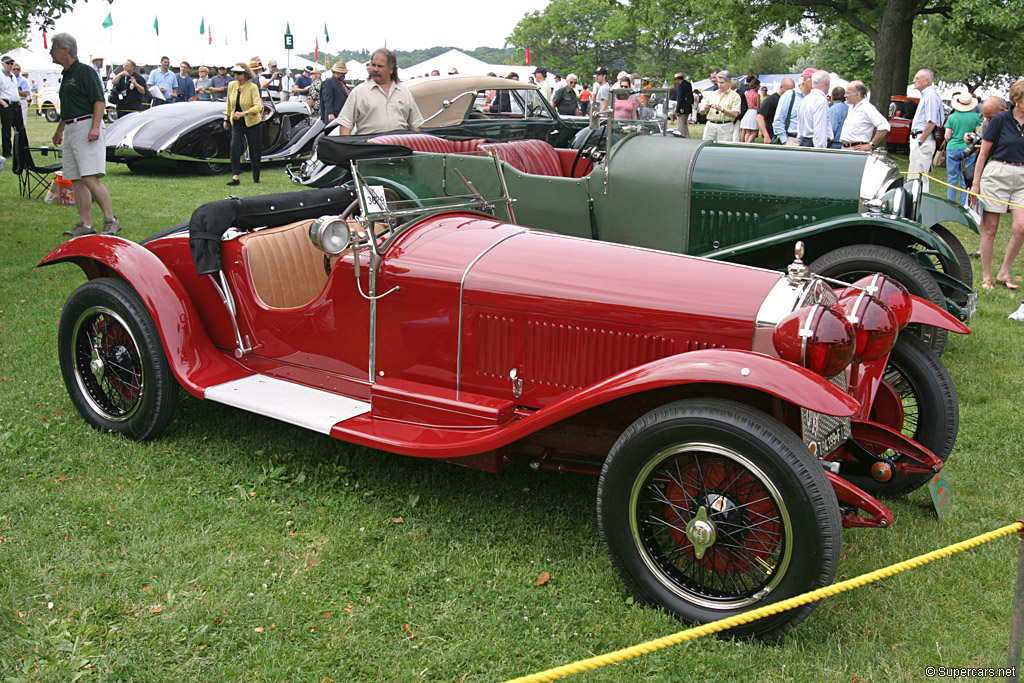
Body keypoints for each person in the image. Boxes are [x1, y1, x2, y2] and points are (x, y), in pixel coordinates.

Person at [49, 33, 121, 237]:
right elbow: (69, 106)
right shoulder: (67, 75)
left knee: (89, 177)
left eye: (53, 48)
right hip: (72, 128)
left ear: (65, 50)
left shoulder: (85, 72)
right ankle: (85, 224)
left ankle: (111, 220)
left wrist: (95, 127)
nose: (50, 53)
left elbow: (98, 101)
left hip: (86, 124)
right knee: (76, 179)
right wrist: (60, 130)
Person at [969, 79, 1024, 291]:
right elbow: (983, 153)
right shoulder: (1000, 120)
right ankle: (986, 277)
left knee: (1021, 227)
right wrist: (975, 184)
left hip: (1021, 175)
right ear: (1017, 100)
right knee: (990, 228)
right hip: (997, 173)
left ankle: (1004, 272)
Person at [338, 48, 423, 136]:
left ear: (391, 69)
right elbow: (345, 124)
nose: (375, 69)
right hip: (368, 147)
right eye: (373, 65)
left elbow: (415, 125)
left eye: (380, 66)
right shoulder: (358, 92)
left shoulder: (404, 91)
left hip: (398, 147)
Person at [224, 62, 263, 186]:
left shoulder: (252, 87)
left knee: (254, 149)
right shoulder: (231, 85)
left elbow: (258, 106)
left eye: (239, 73)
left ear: (245, 74)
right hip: (237, 122)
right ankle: (235, 176)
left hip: (252, 122)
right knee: (234, 145)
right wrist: (227, 118)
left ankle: (256, 176)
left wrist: (244, 113)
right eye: (235, 73)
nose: (236, 75)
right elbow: (230, 104)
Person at [908, 68, 945, 192]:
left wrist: (920, 141)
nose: (914, 81)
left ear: (926, 81)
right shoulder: (926, 96)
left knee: (919, 177)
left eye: (917, 78)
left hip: (923, 140)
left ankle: (919, 204)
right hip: (918, 138)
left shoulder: (931, 96)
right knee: (913, 175)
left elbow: (932, 122)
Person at [944, 92, 982, 206]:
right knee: (967, 178)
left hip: (953, 148)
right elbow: (979, 134)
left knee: (952, 178)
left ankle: (950, 203)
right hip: (969, 149)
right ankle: (964, 203)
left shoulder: (952, 117)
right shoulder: (975, 117)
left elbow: (947, 136)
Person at [839, 80, 890, 151]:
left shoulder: (867, 108)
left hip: (857, 149)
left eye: (847, 93)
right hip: (846, 147)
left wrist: (871, 145)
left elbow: (884, 126)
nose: (845, 95)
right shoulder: (851, 107)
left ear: (857, 94)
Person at [700, 70, 740, 142]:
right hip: (710, 126)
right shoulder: (712, 94)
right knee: (706, 147)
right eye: (718, 82)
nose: (720, 84)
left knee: (724, 149)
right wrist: (705, 109)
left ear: (729, 82)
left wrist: (722, 110)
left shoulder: (735, 96)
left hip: (725, 126)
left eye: (722, 83)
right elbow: (701, 111)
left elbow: (735, 114)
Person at [773, 70, 811, 146]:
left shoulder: (812, 98)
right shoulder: (790, 95)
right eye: (814, 80)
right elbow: (778, 119)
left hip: (808, 142)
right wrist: (784, 141)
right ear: (805, 80)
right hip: (792, 140)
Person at [797, 69, 830, 148]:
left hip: (804, 141)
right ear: (827, 82)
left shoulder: (804, 99)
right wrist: (821, 150)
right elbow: (820, 130)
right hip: (814, 144)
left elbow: (799, 126)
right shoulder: (821, 101)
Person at [1, 55, 23, 157]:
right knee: (6, 129)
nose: (10, 66)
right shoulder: (1, 76)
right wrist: (3, 103)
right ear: (3, 64)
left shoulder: (13, 76)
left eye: (11, 64)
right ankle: (7, 152)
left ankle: (21, 149)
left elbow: (14, 89)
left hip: (15, 104)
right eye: (8, 64)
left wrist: (18, 100)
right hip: (6, 104)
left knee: (20, 128)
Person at [669, 72, 693, 137]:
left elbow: (680, 98)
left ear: (677, 79)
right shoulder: (688, 84)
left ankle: (682, 137)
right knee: (685, 124)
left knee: (681, 125)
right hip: (688, 106)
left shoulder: (680, 86)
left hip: (682, 107)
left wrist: (677, 110)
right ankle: (687, 137)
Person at [739, 77, 760, 142]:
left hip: (747, 112)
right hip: (753, 112)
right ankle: (748, 143)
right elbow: (758, 106)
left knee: (747, 132)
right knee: (754, 132)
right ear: (756, 86)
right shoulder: (757, 94)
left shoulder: (746, 93)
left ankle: (745, 143)